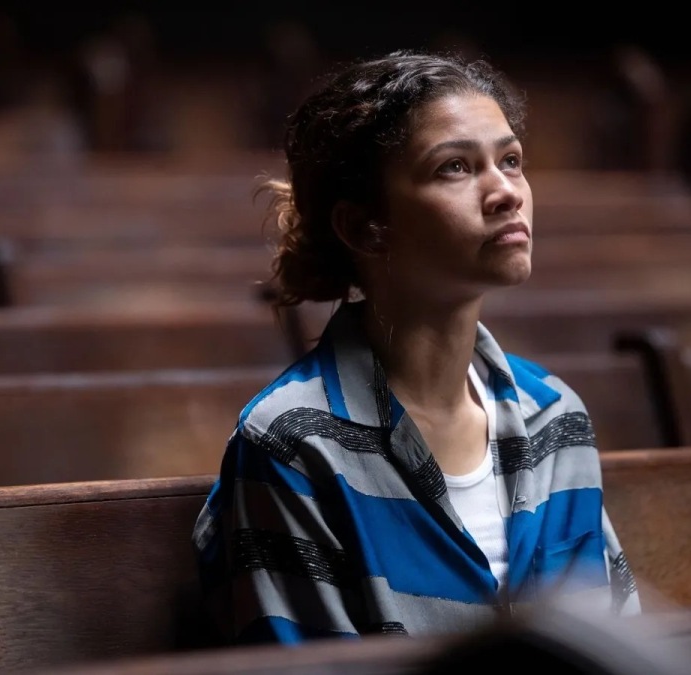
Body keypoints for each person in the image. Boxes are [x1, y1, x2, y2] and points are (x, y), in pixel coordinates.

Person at [192, 49, 640, 646]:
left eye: (510, 161)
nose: (506, 192)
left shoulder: (555, 417)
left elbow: (614, 645)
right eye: (454, 167)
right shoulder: (292, 443)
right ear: (364, 227)